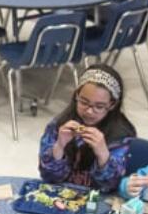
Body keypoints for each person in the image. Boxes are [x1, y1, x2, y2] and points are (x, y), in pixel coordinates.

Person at [38, 65, 135, 193]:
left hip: (97, 199)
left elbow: (111, 187)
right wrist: (59, 146)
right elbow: (48, 177)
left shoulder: (122, 136)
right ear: (76, 95)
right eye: (83, 102)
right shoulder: (60, 125)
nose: (89, 111)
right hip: (60, 195)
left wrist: (103, 154)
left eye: (99, 107)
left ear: (112, 104)